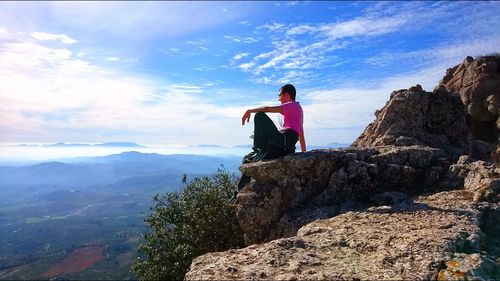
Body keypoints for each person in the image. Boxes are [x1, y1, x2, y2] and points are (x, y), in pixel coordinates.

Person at [231, 84, 306, 201]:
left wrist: (249, 111)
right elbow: (301, 133)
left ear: (286, 95)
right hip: (284, 145)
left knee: (260, 115)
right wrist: (304, 153)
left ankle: (259, 149)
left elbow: (267, 109)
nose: (279, 98)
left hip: (283, 143)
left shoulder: (292, 106)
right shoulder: (296, 110)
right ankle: (239, 194)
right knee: (247, 159)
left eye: (279, 95)